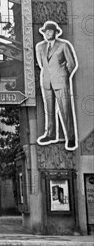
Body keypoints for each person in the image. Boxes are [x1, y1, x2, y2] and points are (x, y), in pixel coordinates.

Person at [35, 21, 78, 151]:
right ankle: (50, 134)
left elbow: (71, 63)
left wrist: (64, 75)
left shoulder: (63, 45)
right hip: (46, 81)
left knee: (65, 110)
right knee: (49, 110)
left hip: (61, 81)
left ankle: (70, 137)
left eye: (50, 31)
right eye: (46, 31)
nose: (48, 33)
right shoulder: (40, 47)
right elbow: (42, 64)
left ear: (55, 32)